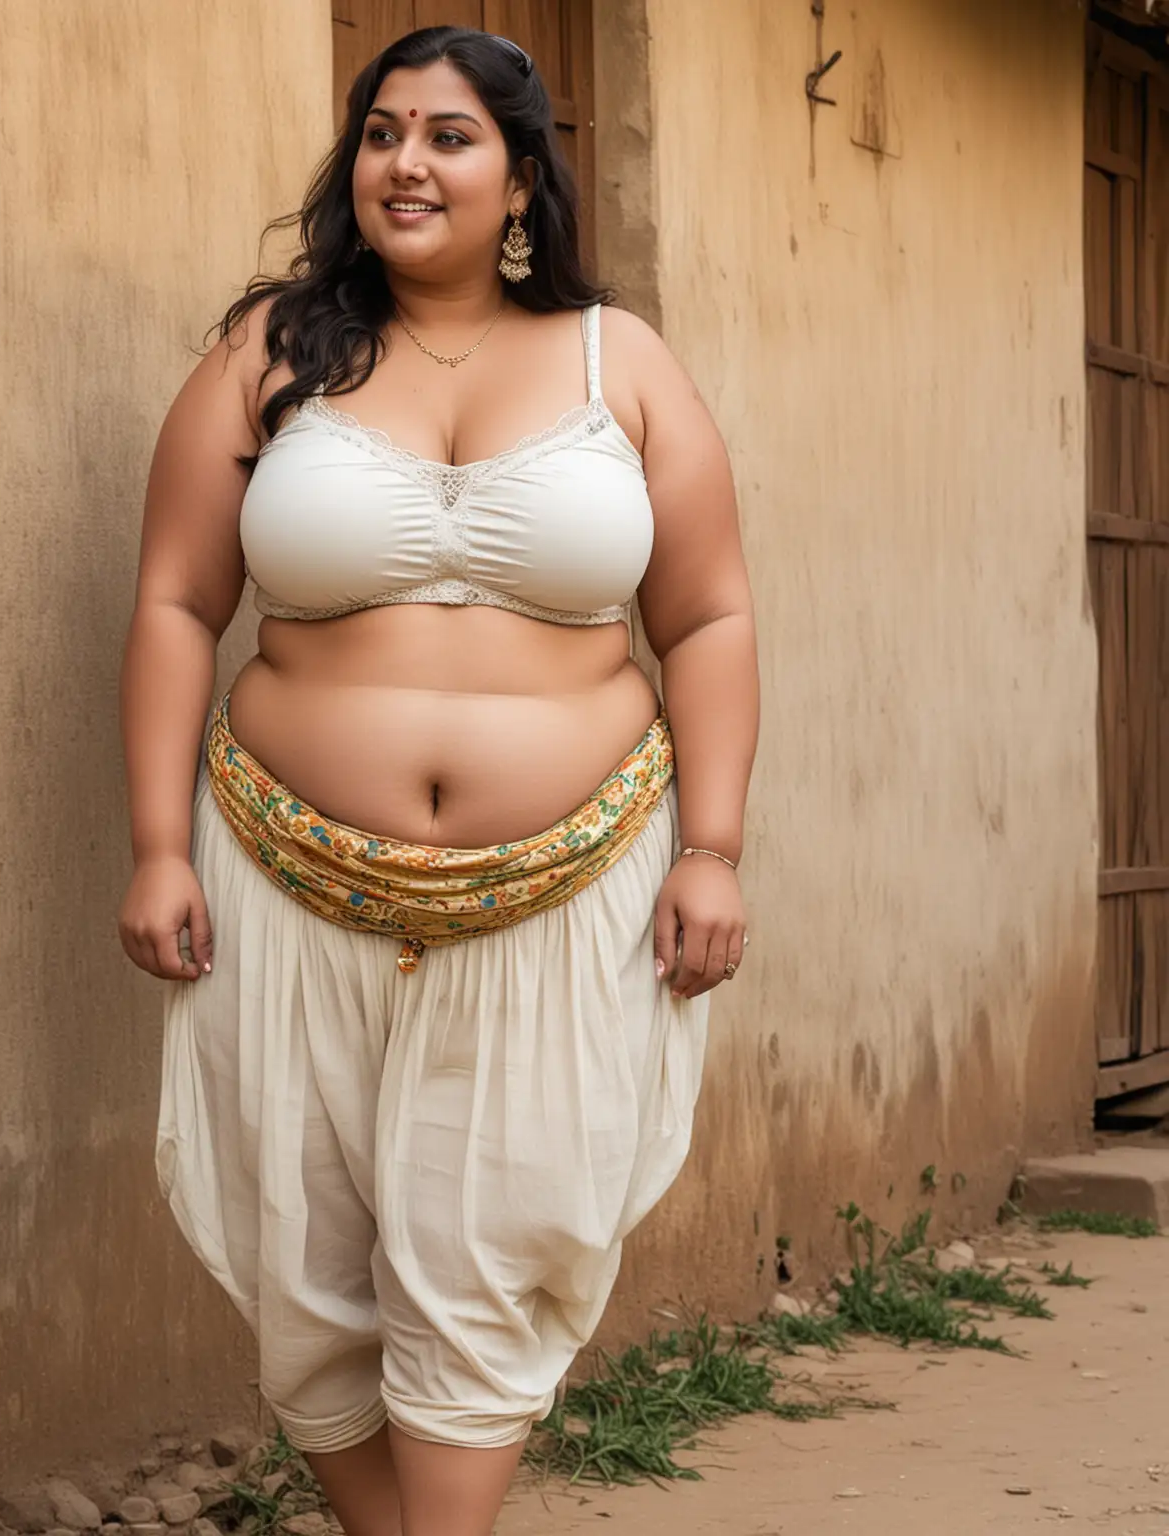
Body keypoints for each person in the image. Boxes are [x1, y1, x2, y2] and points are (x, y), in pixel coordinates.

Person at [118, 24, 758, 1536]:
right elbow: (172, 605)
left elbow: (711, 615)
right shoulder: (270, 352)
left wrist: (713, 848)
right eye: (385, 131)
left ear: (522, 178)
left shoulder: (625, 364)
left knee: (495, 1247)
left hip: (566, 896)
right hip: (283, 888)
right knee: (311, 1269)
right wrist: (157, 846)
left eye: (452, 136)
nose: (410, 162)